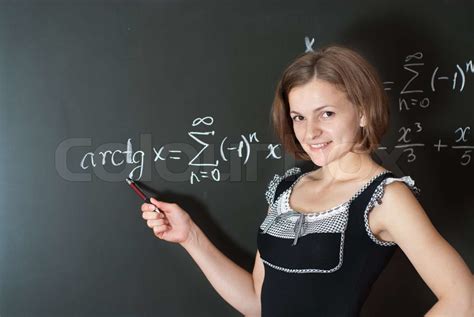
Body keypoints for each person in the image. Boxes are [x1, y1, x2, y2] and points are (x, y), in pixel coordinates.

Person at [140, 45, 473, 316]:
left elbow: (464, 299)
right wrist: (190, 237)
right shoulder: (288, 187)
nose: (310, 133)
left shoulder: (386, 198)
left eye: (326, 113)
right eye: (298, 117)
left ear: (362, 112)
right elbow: (258, 302)